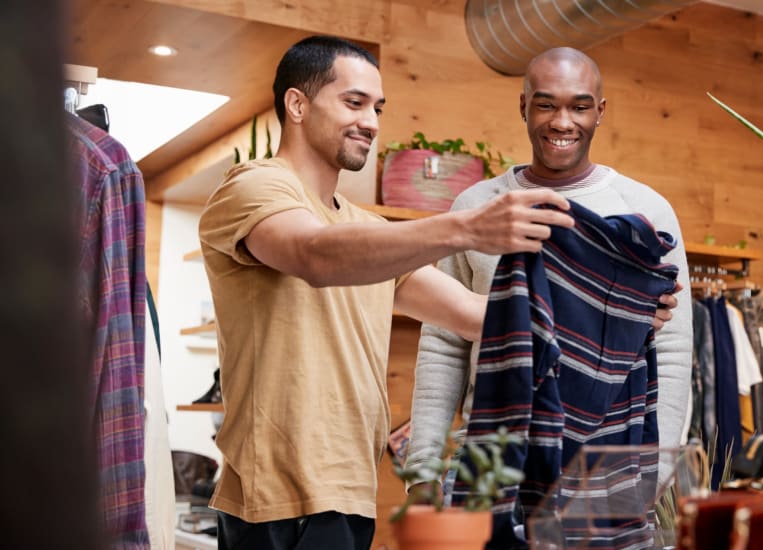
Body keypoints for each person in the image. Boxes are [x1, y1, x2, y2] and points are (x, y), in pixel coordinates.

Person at [198, 35, 578, 550]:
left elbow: (477, 317)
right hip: (275, 503)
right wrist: (464, 228)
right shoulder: (254, 186)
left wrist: (619, 313)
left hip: (351, 494)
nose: (372, 122)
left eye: (377, 108)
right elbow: (313, 254)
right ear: (297, 104)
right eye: (353, 103)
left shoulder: (366, 230)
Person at [406, 47, 693, 510]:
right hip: (490, 458)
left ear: (600, 112)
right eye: (546, 104)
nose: (563, 122)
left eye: (579, 106)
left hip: (607, 466)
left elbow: (674, 351)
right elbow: (444, 342)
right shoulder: (476, 208)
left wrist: (656, 473)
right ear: (523, 107)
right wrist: (422, 468)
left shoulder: (645, 213)